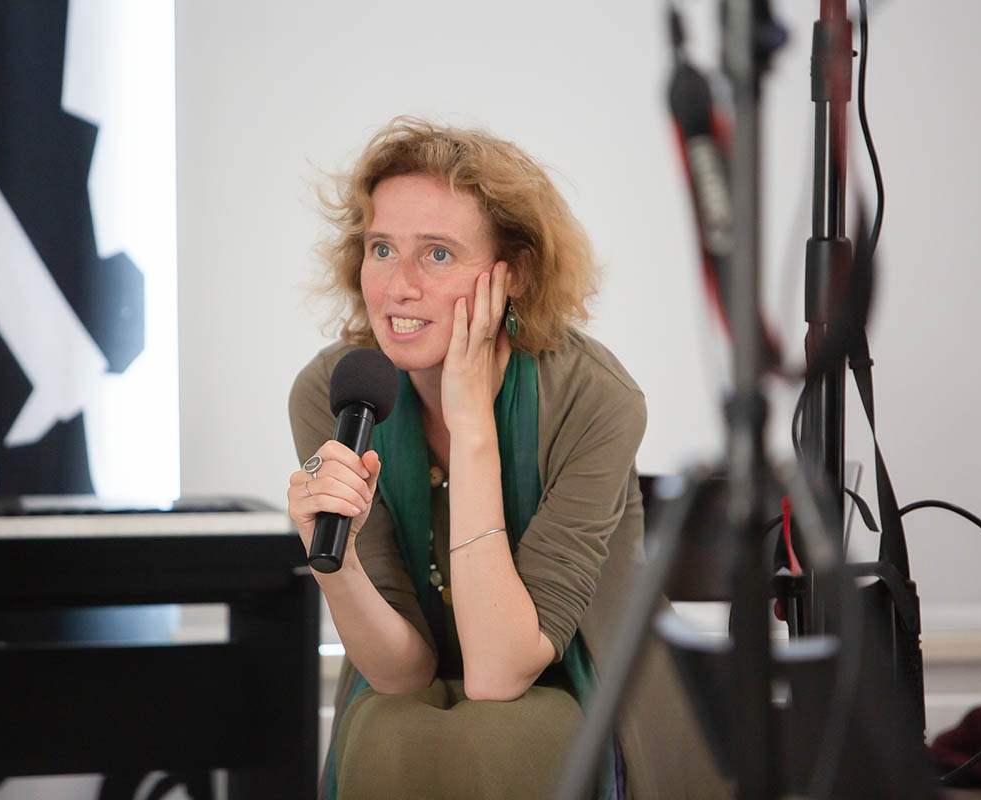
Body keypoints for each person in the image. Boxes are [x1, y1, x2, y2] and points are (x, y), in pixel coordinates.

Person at [287, 117, 727, 799]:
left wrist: (472, 429)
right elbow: (401, 673)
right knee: (389, 729)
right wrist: (337, 567)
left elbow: (499, 672)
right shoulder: (333, 393)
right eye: (382, 248)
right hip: (413, 694)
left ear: (513, 273)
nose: (399, 286)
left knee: (495, 737)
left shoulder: (594, 399)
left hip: (585, 691)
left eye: (437, 254)